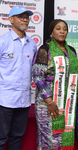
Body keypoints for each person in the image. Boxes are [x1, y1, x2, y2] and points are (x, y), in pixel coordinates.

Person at [32, 19, 78, 149]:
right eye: (58, 28)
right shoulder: (44, 49)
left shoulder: (71, 51)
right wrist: (49, 102)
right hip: (47, 104)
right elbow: (38, 77)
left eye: (64, 29)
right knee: (49, 140)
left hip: (66, 103)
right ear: (52, 31)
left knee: (62, 140)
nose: (62, 31)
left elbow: (74, 76)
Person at [0, 5, 37, 150]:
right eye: (20, 16)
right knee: (1, 138)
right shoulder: (2, 42)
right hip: (5, 100)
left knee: (17, 137)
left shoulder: (32, 44)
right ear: (10, 19)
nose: (25, 19)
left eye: (26, 17)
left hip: (24, 101)